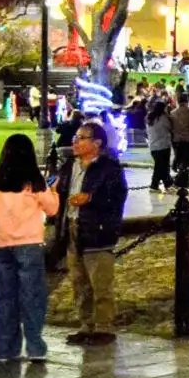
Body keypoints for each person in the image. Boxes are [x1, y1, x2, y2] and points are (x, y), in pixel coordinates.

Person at [0, 134, 59, 363]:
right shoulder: (34, 183)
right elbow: (52, 209)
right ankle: (35, 347)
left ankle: (4, 349)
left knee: (4, 298)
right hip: (28, 243)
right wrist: (54, 190)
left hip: (1, 245)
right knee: (32, 296)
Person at [65, 120, 126, 346]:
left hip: (97, 229)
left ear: (97, 143)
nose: (75, 142)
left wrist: (90, 198)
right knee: (79, 281)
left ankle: (103, 327)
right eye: (75, 137)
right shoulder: (69, 166)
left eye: (81, 138)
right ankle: (86, 324)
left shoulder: (109, 169)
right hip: (73, 226)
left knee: (100, 282)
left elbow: (117, 197)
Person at [169, 93, 189, 190]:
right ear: (187, 101)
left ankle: (180, 181)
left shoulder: (173, 113)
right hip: (188, 140)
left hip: (177, 140)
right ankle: (184, 183)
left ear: (178, 101)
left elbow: (170, 128)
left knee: (180, 160)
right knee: (186, 162)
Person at [145, 94, 173, 191]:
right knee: (162, 166)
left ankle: (161, 184)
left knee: (159, 166)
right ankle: (162, 184)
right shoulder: (163, 118)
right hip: (163, 145)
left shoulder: (150, 118)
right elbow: (170, 127)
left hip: (153, 146)